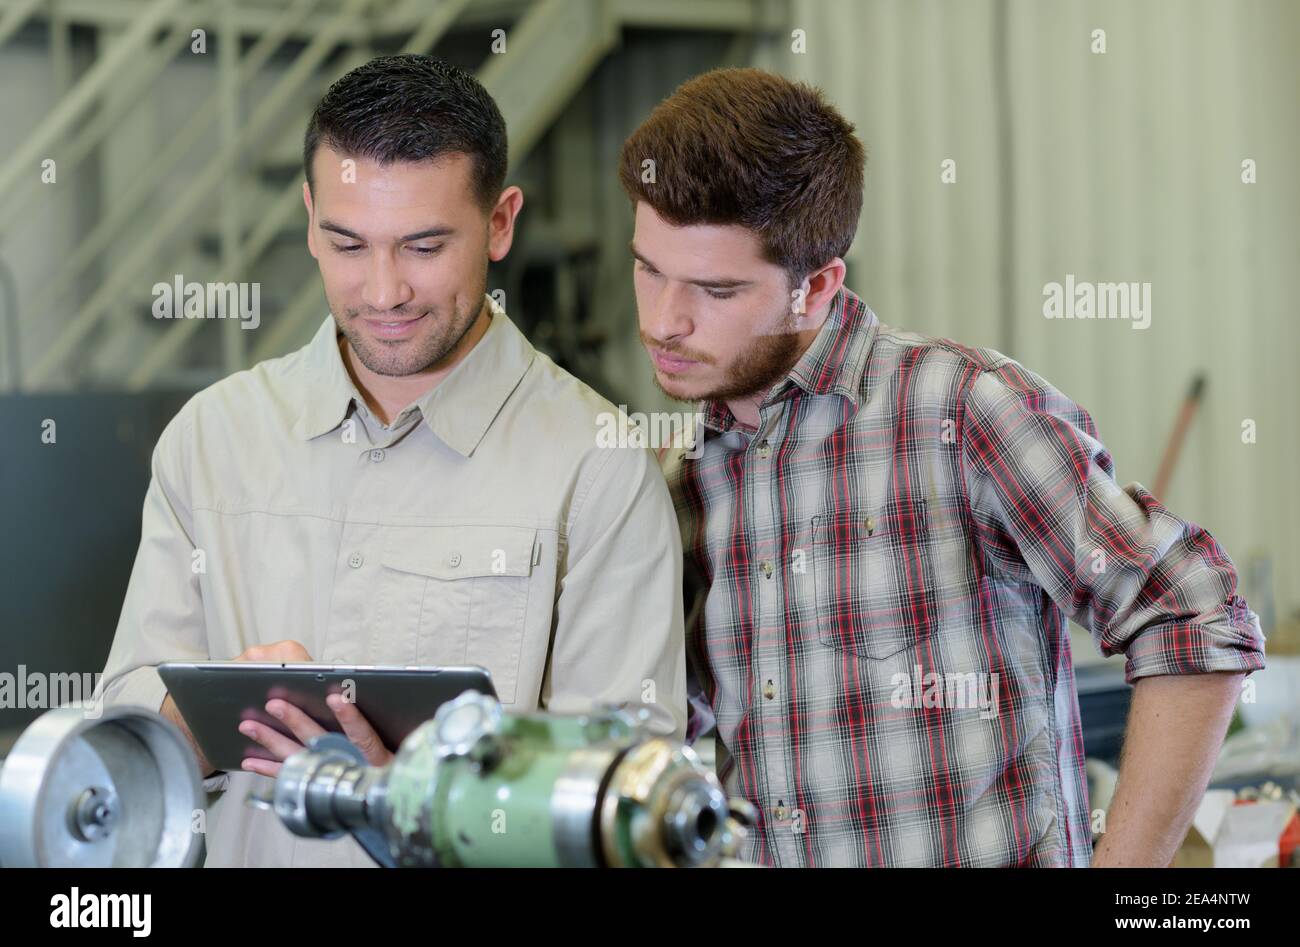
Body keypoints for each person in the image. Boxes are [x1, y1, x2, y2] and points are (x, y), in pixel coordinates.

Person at [620, 67, 1265, 867]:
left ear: (816, 287)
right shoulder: (681, 479)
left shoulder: (961, 412)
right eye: (649, 268)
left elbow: (1193, 613)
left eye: (716, 290)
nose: (663, 321)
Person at [96, 54, 686, 867]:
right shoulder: (210, 440)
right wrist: (198, 715)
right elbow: (117, 745)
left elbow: (628, 805)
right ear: (308, 218)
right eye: (346, 242)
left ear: (502, 221)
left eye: (423, 245)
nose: (382, 292)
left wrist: (425, 801)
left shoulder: (598, 468)